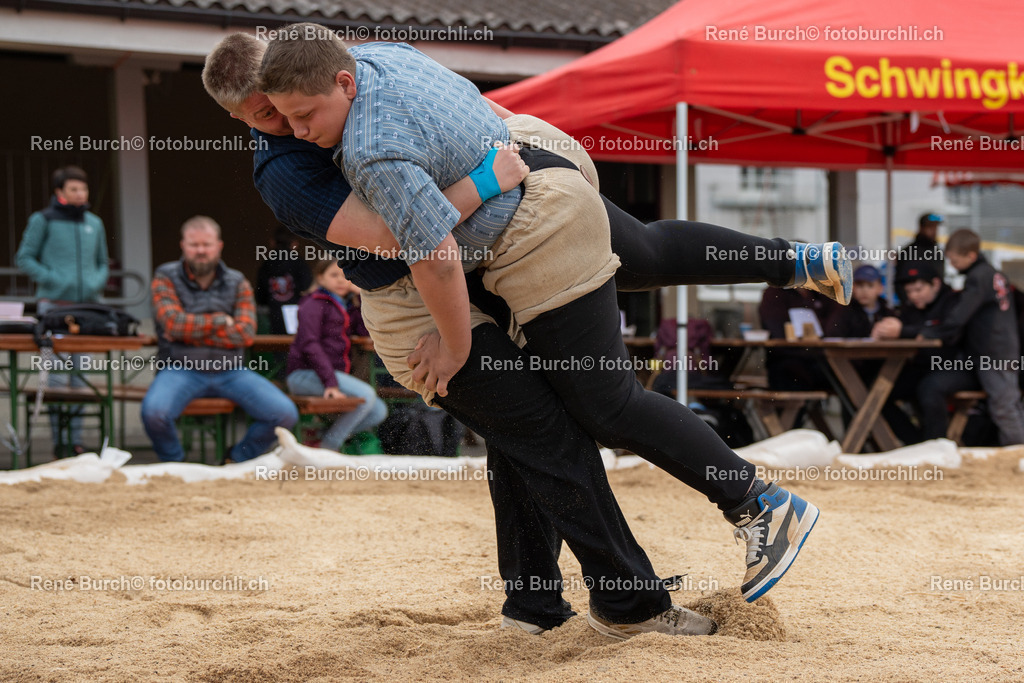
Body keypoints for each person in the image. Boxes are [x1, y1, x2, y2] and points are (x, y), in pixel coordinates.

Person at [203, 31, 846, 638]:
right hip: (453, 252)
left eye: (294, 109)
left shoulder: (359, 114)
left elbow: (430, 232)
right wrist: (484, 175)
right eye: (270, 116)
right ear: (244, 116)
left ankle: (640, 577)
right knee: (540, 424)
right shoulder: (297, 153)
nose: (291, 125)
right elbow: (403, 240)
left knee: (584, 405)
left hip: (512, 210)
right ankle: (550, 599)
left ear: (319, 75)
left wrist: (484, 159)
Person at [141, 216, 299, 462]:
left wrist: (190, 332)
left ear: (219, 246)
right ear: (183, 245)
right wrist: (220, 322)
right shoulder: (166, 275)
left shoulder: (237, 281)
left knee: (284, 413)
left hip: (231, 370)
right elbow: (172, 324)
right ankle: (176, 464)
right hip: (180, 368)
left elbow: (245, 333)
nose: (201, 251)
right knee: (154, 413)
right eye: (194, 245)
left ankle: (235, 459)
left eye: (207, 244)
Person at [16, 165, 109, 456]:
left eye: (84, 189)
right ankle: (60, 442)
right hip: (54, 307)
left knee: (81, 378)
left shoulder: (94, 222)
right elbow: (25, 257)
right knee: (57, 377)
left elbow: (103, 262)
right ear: (60, 193)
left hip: (88, 309)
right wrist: (54, 279)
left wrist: (96, 281)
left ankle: (77, 442)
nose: (81, 194)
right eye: (74, 189)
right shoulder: (42, 220)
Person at [914, 230, 1024, 445]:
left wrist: (929, 333)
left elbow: (959, 316)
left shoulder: (978, 277)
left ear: (970, 256)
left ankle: (1018, 457)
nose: (952, 265)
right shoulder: (993, 273)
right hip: (1004, 349)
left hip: (992, 353)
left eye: (954, 260)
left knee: (1003, 408)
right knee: (1010, 405)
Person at [286, 260, 387, 451]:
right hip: (304, 376)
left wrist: (361, 299)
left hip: (329, 376)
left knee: (378, 411)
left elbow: (365, 332)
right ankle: (329, 448)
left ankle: (323, 439)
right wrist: (330, 382)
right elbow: (310, 345)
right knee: (366, 394)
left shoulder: (344, 304)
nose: (341, 280)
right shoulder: (313, 304)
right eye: (334, 275)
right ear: (319, 277)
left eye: (344, 275)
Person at [872, 262, 960, 444]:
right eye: (909, 291)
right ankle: (916, 443)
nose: (913, 295)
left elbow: (948, 332)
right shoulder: (910, 307)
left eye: (918, 290)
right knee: (877, 391)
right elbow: (900, 324)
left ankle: (937, 446)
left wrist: (903, 331)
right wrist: (883, 329)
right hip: (921, 367)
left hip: (956, 366)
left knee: (929, 388)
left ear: (935, 284)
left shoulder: (953, 302)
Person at [254, 225, 313, 334]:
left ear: (272, 242)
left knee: (276, 347)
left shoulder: (266, 264)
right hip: (296, 314)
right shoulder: (299, 263)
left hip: (272, 315)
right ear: (295, 243)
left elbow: (260, 295)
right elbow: (307, 287)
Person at [824, 265, 894, 339]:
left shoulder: (889, 314)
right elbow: (832, 339)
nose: (864, 291)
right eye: (860, 285)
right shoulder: (842, 314)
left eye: (870, 285)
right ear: (853, 287)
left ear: (880, 288)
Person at [895, 212, 945, 300]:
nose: (934, 231)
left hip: (936, 305)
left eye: (935, 227)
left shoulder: (937, 251)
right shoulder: (908, 252)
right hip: (913, 304)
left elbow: (940, 278)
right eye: (930, 227)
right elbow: (900, 282)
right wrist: (909, 303)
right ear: (921, 228)